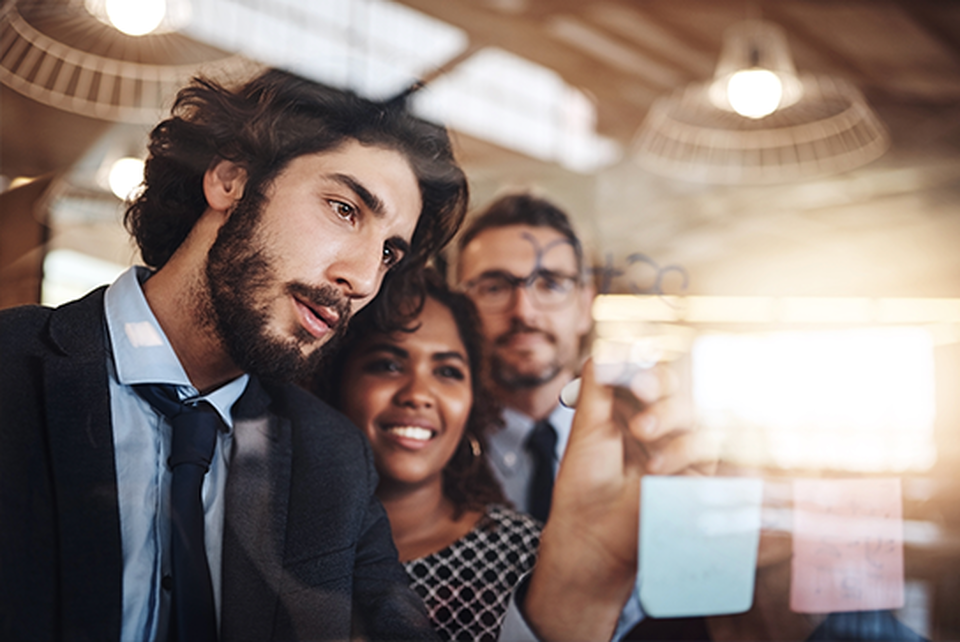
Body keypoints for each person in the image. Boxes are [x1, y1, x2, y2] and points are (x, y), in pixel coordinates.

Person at [0, 68, 469, 641]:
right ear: (230, 180)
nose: (364, 279)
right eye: (345, 209)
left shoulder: (331, 458)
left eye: (389, 251)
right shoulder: (10, 371)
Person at [455, 193, 712, 640]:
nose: (524, 311)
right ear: (462, 307)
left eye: (550, 283)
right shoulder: (431, 460)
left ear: (584, 303)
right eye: (494, 286)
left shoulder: (649, 442)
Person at [316, 268, 541, 641]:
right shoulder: (277, 541)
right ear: (335, 382)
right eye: (388, 364)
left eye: (448, 371)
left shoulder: (527, 558)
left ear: (472, 404)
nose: (418, 393)